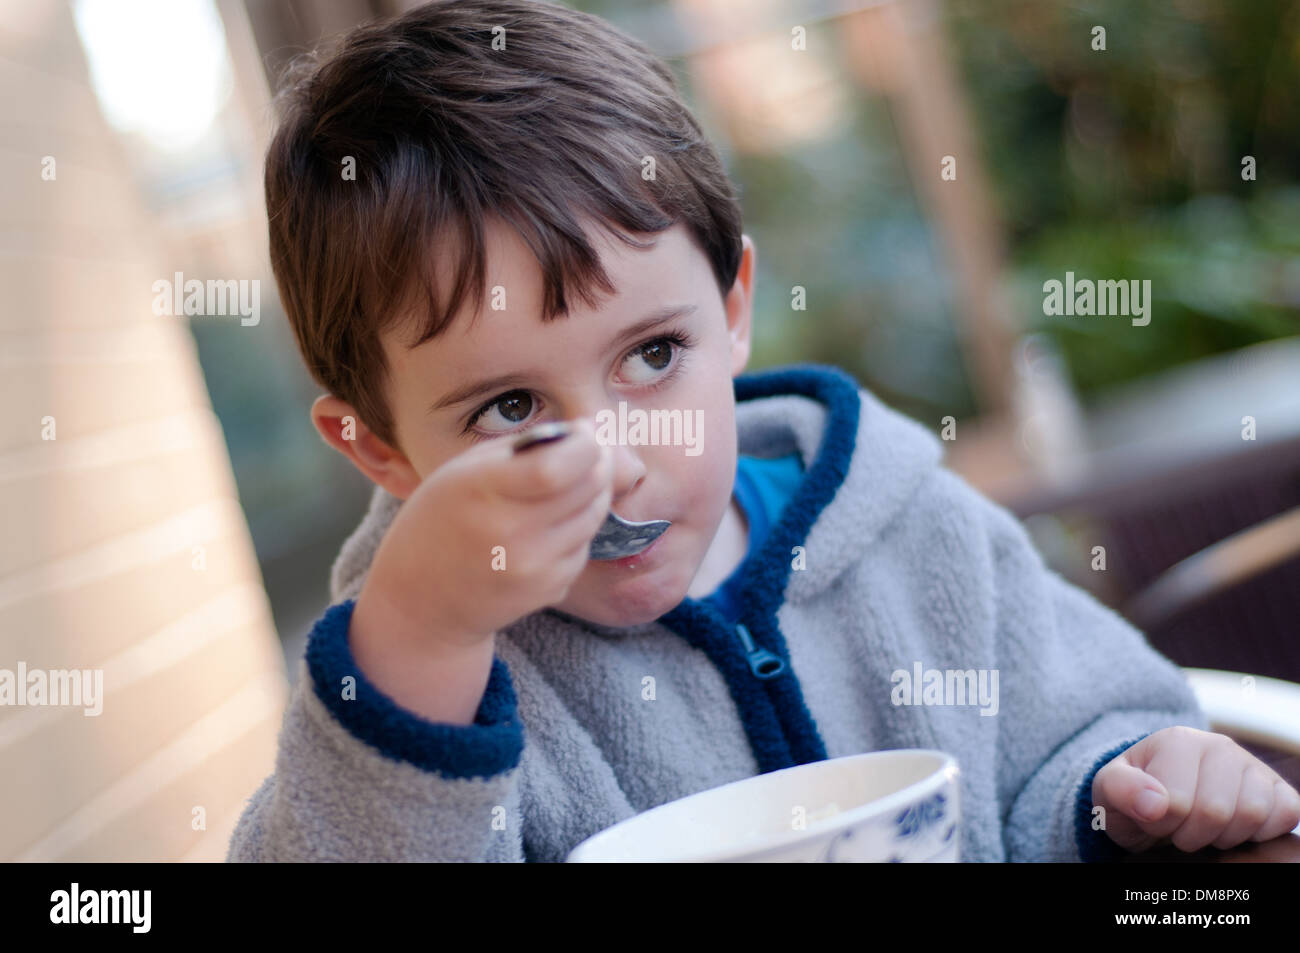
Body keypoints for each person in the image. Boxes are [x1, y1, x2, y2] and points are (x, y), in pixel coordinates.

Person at [227, 0, 1300, 862]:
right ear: (378, 446)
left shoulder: (908, 527)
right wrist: (419, 639)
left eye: (651, 355)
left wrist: (1139, 785)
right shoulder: (419, 674)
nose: (617, 460)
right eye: (510, 409)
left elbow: (1073, 740)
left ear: (733, 308)